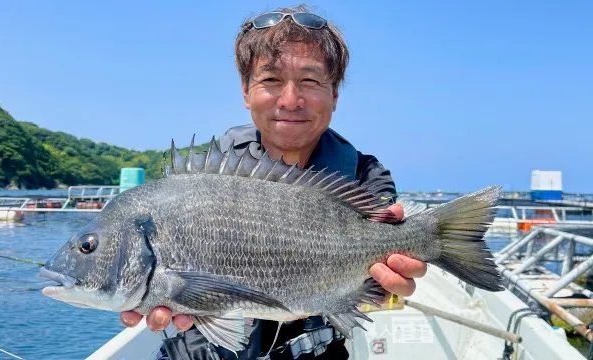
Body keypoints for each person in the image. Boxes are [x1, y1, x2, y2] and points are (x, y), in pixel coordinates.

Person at [120, 5, 427, 359]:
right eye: (270, 80)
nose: (290, 100)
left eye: (310, 81)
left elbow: (382, 288)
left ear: (335, 94)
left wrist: (389, 285)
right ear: (246, 92)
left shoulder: (365, 177)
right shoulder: (202, 181)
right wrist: (139, 290)